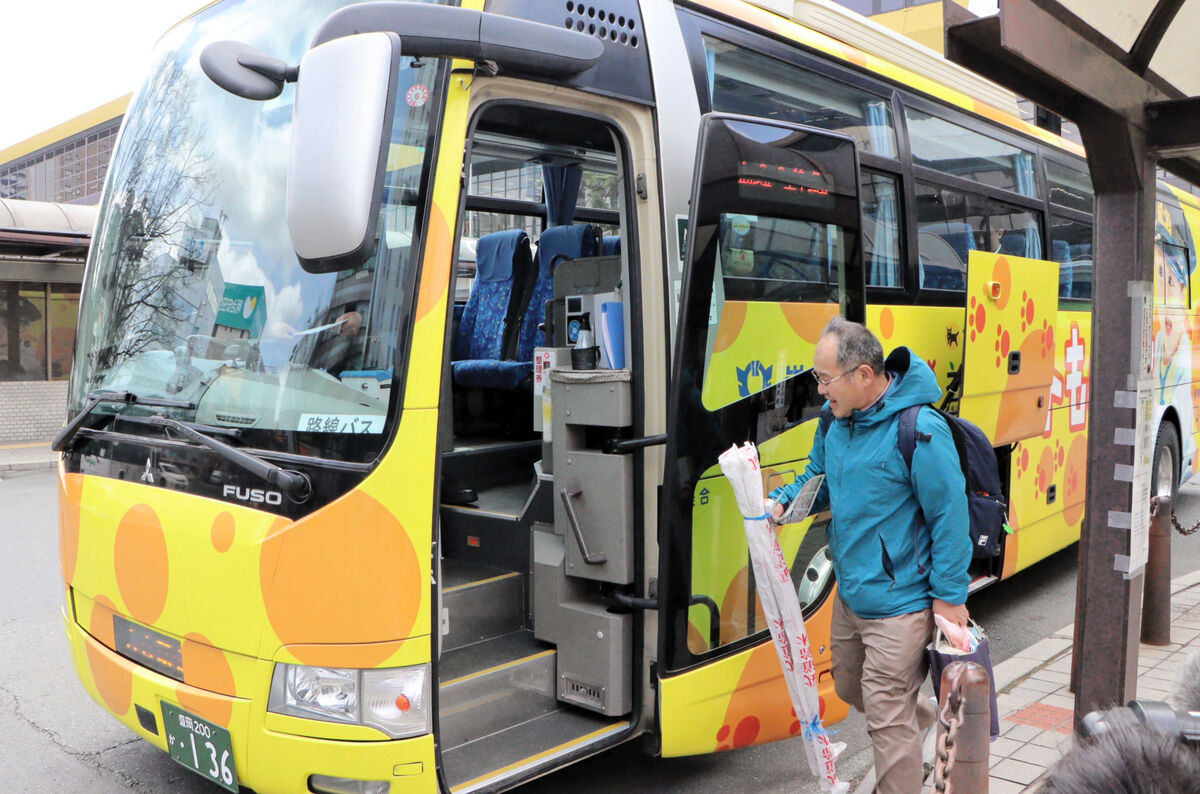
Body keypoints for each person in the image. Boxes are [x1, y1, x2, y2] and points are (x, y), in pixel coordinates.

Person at [765, 317, 972, 793]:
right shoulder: (834, 423)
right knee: (850, 687)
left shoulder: (918, 428)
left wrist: (949, 597)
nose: (820, 392)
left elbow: (950, 516)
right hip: (852, 595)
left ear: (862, 375)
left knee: (884, 718)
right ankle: (914, 718)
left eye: (825, 380)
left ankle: (900, 744)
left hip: (901, 604)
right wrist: (782, 503)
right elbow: (818, 480)